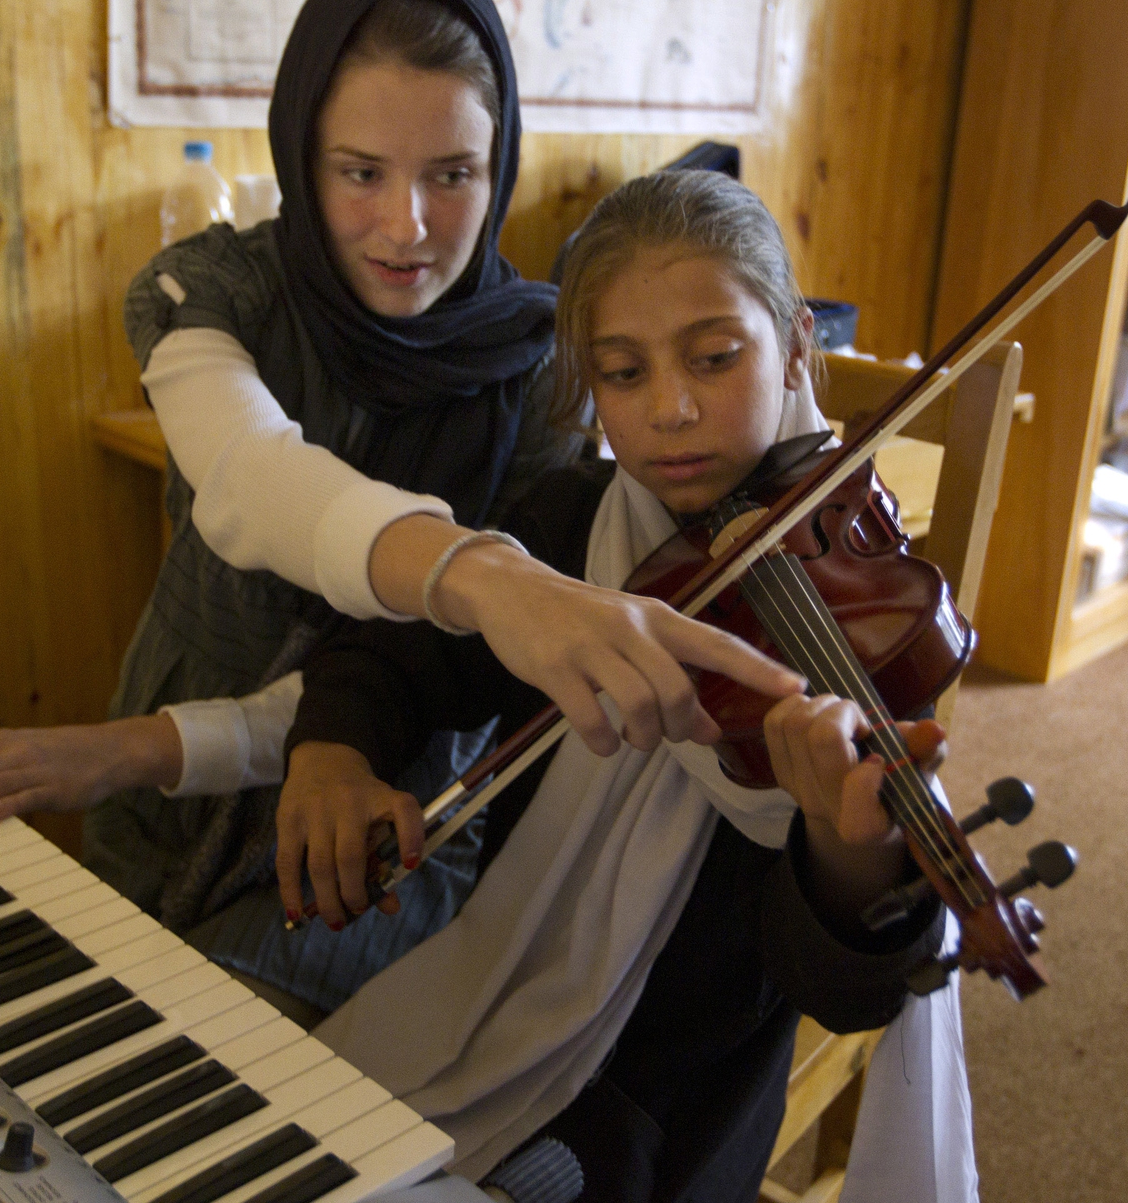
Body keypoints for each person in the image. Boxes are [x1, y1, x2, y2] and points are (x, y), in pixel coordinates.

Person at [0, 0, 798, 1019]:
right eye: (361, 172)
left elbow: (418, 669)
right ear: (300, 156)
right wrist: (483, 575)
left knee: (187, 1043)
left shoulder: (540, 362)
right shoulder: (214, 293)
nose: (406, 226)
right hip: (162, 766)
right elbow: (251, 477)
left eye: (452, 175)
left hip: (386, 793)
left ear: (499, 167)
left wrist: (159, 747)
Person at [277, 168, 977, 1203]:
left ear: (795, 345)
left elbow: (850, 988)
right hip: (498, 981)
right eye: (623, 371)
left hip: (678, 1096)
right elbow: (398, 651)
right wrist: (332, 750)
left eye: (714, 357)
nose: (671, 409)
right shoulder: (569, 528)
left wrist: (845, 846)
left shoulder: (861, 617)